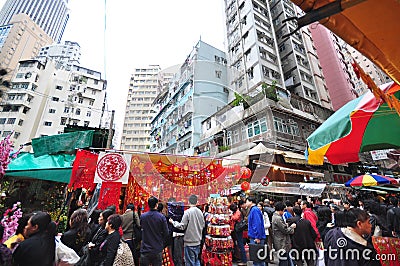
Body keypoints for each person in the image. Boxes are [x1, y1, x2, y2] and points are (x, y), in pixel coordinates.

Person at [169, 194, 205, 266]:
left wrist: (173, 222)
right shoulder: (200, 212)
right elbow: (203, 225)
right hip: (198, 241)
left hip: (189, 242)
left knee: (189, 262)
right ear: (197, 202)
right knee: (196, 260)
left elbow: (182, 226)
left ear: (188, 202)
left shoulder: (187, 212)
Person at [141, 196, 169, 265]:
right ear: (156, 205)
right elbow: (166, 233)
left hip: (145, 248)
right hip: (157, 248)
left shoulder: (143, 216)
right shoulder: (161, 217)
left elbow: (141, 229)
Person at [272, 201, 296, 266]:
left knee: (284, 259)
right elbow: (285, 230)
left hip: (280, 241)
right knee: (283, 260)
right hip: (281, 242)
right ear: (281, 210)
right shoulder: (278, 218)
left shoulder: (275, 216)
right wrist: (291, 227)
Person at [246, 196, 266, 266]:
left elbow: (257, 224)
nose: (246, 203)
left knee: (257, 259)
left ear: (251, 202)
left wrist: (257, 237)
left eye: (247, 201)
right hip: (256, 237)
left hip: (256, 238)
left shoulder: (254, 210)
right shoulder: (254, 209)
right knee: (258, 258)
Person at [168, 199, 185, 266]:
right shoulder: (181, 213)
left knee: (177, 255)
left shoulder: (177, 214)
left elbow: (181, 226)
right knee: (176, 254)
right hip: (176, 235)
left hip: (177, 235)